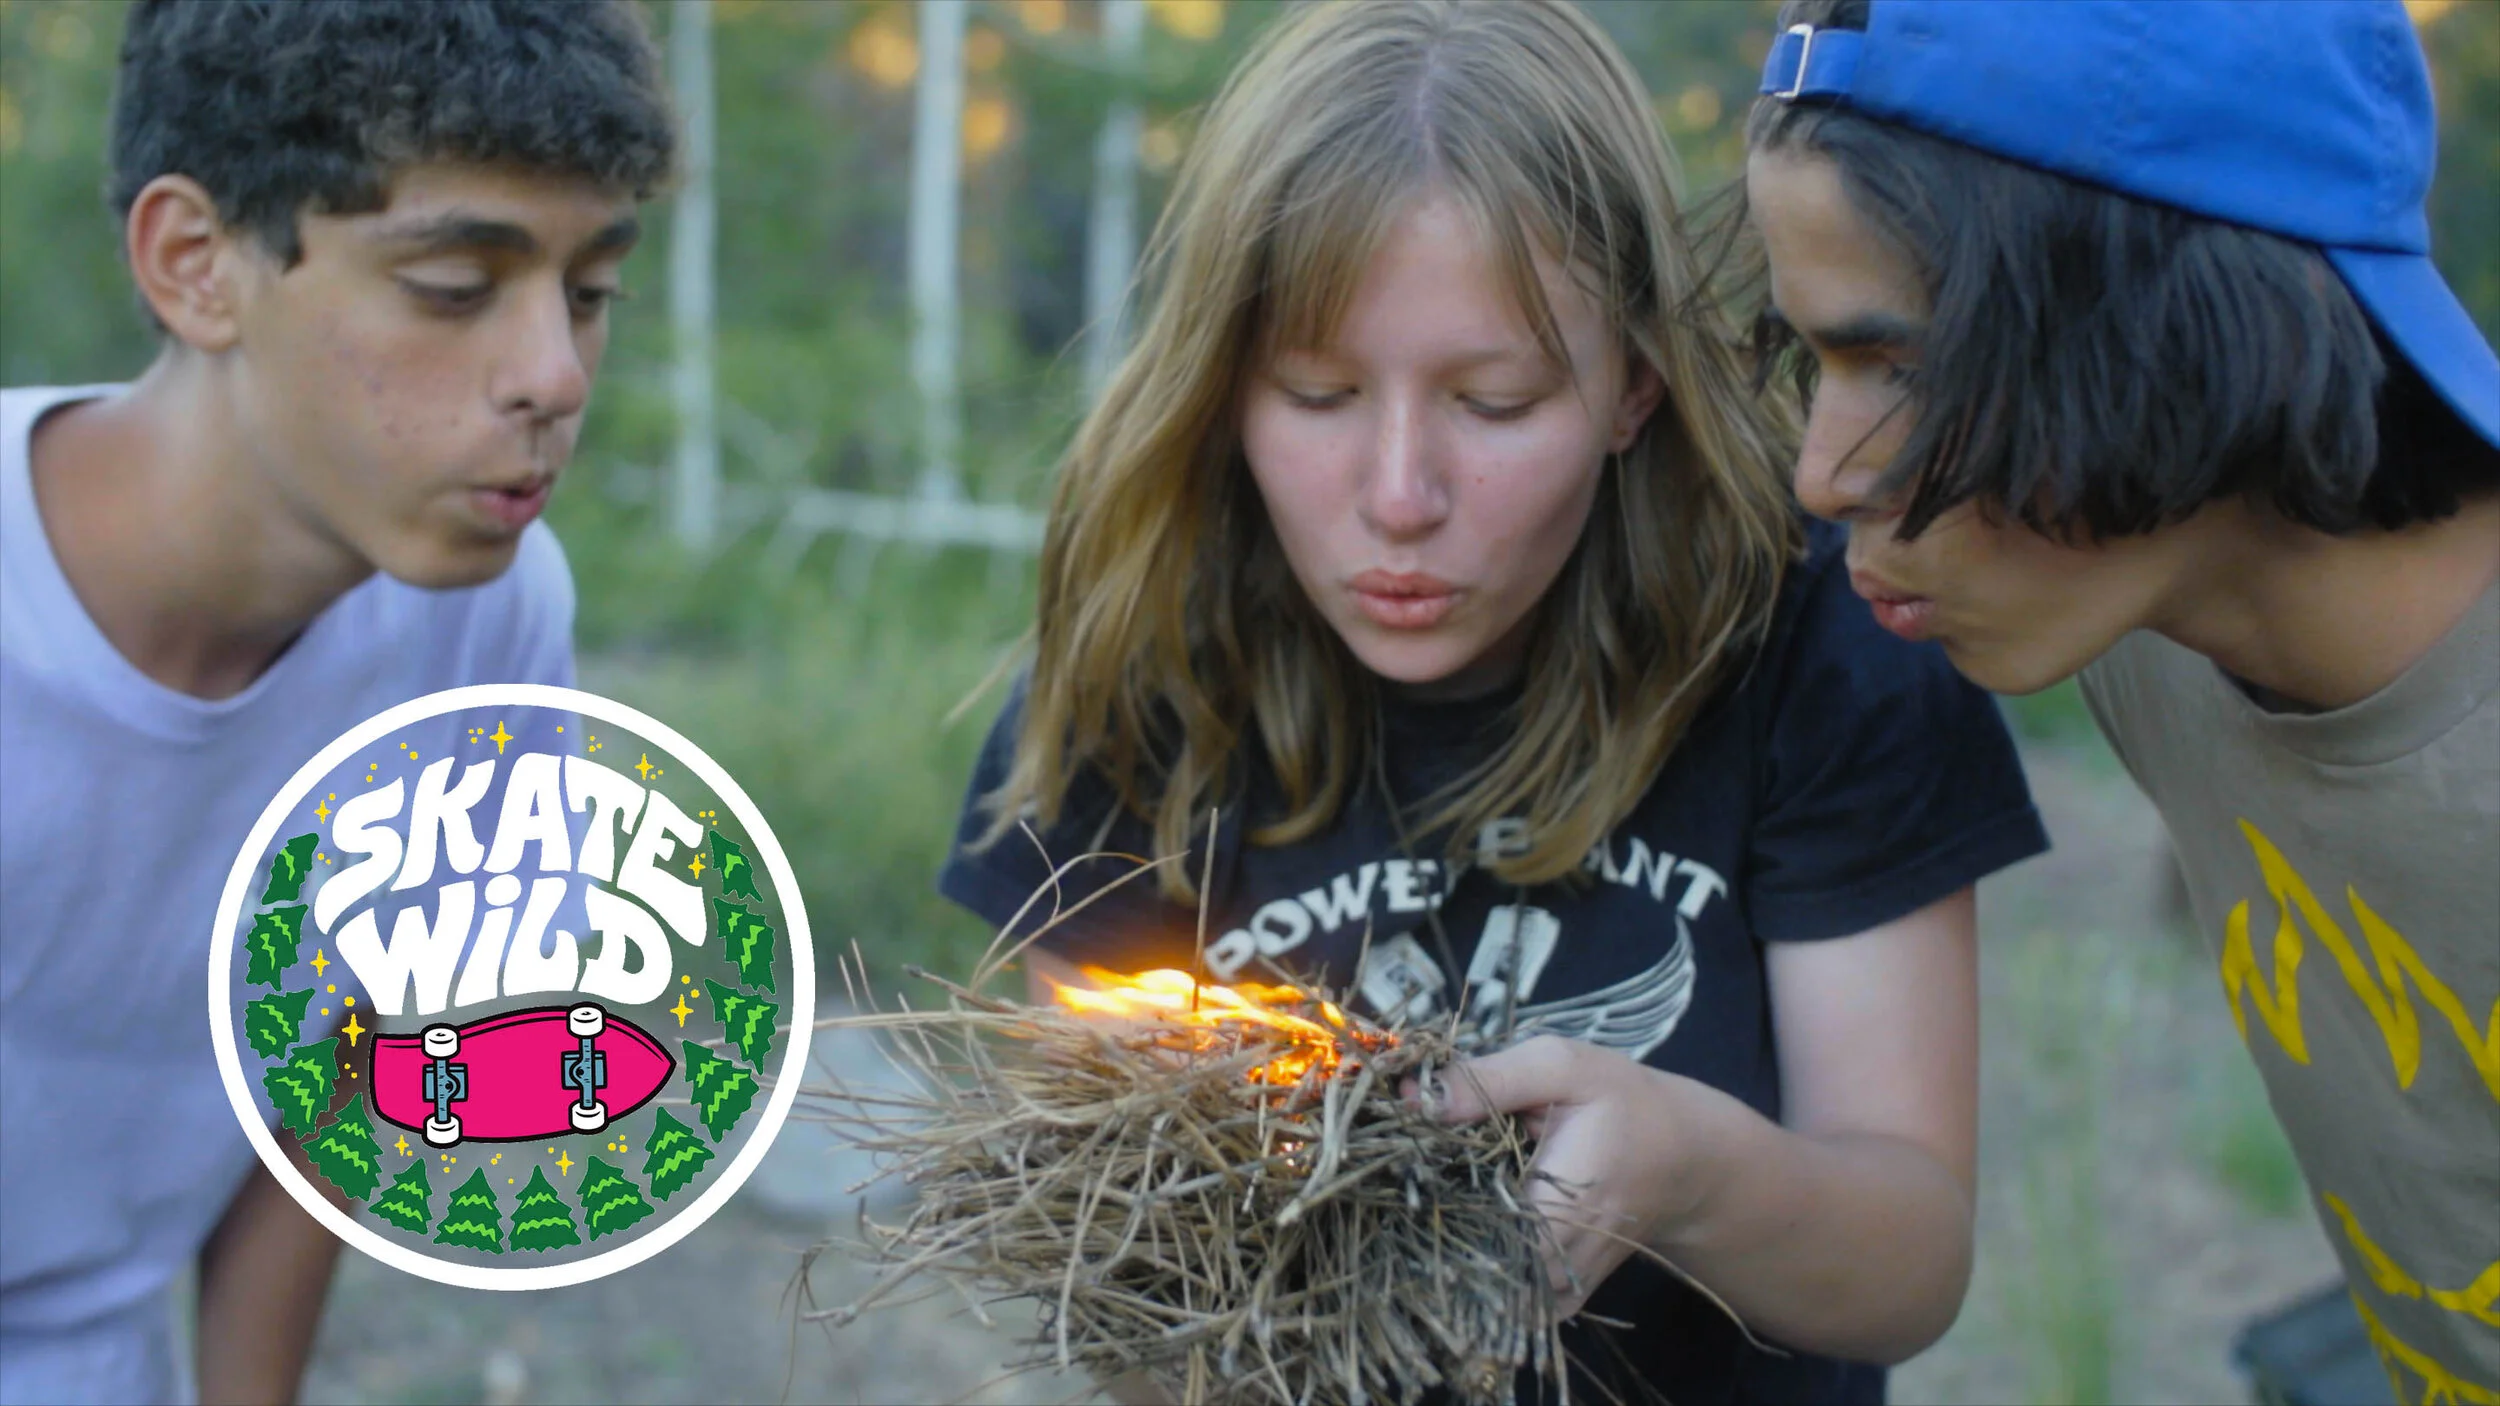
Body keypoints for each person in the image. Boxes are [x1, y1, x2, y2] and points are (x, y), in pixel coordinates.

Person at [938, 2, 2048, 1400]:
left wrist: (1685, 1169)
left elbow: (1906, 1264)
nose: (1400, 498)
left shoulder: (1818, 648)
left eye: (1499, 399)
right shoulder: (1134, 687)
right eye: (1318, 391)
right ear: (1223, 387)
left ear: (1635, 384)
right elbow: (1121, 1298)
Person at [1739, 1, 2499, 1400]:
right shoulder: (2149, 613)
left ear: (2178, 325)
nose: (1824, 474)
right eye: (1816, 363)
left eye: (1897, 365)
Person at [0, 3, 674, 1401]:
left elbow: (335, 1071)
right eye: (451, 285)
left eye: (589, 291)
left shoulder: (489, 612)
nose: (553, 374)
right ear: (196, 264)